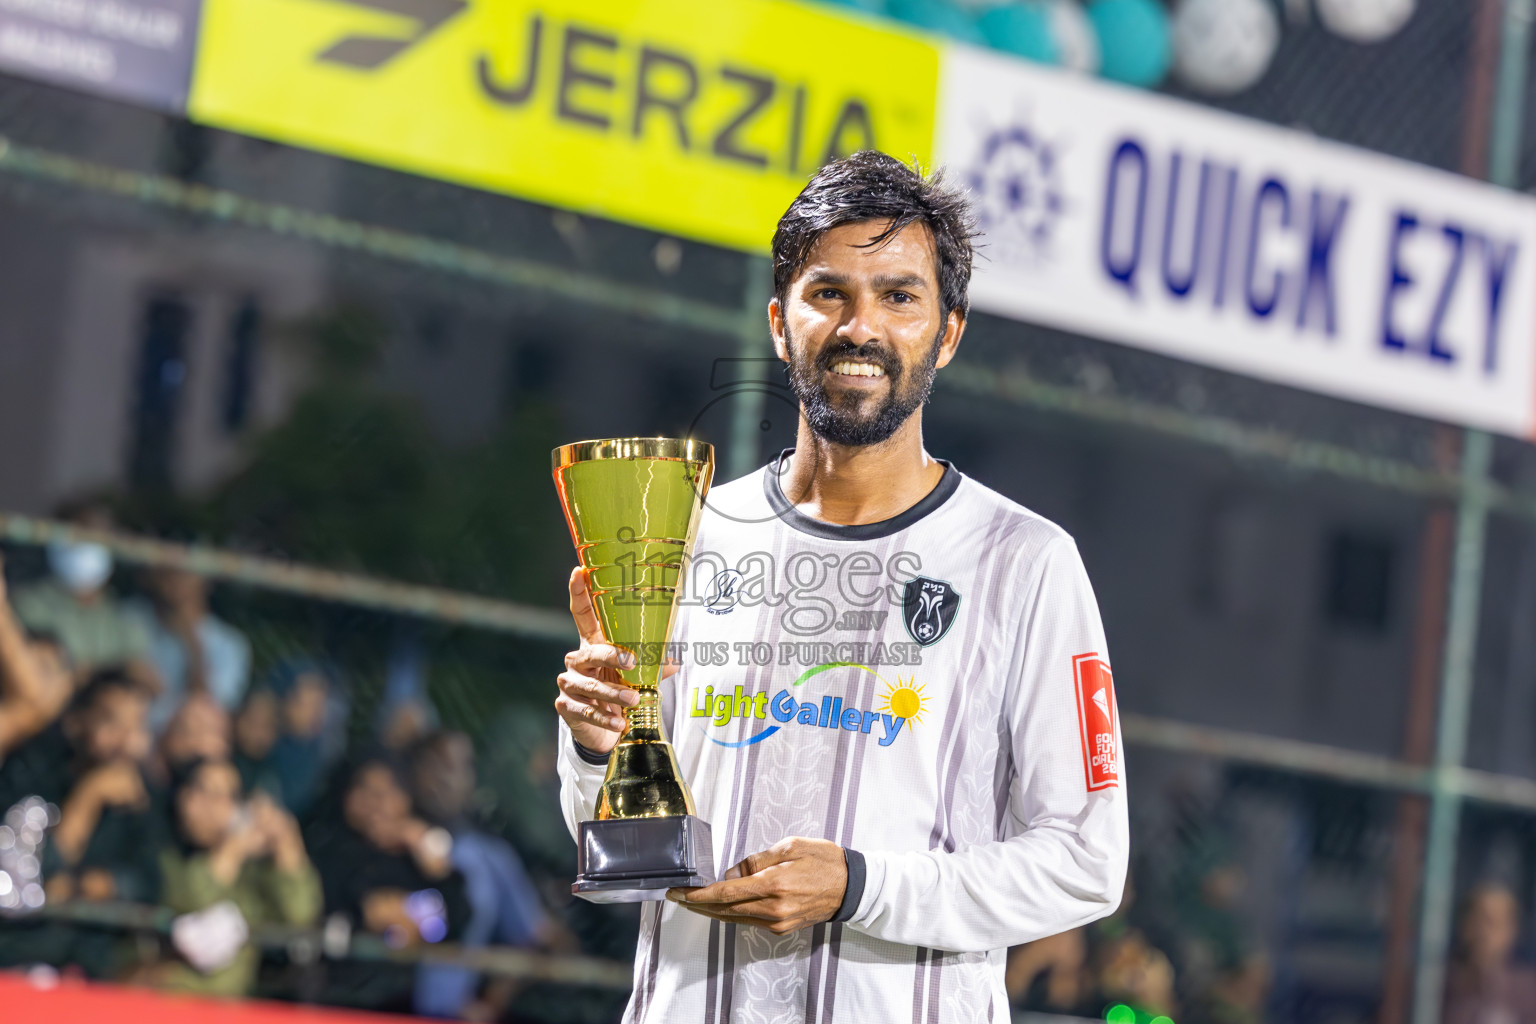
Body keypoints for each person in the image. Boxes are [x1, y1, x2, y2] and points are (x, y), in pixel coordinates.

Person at [554, 152, 1128, 1020]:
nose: (862, 327)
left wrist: (859, 886)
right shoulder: (685, 538)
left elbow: (1087, 863)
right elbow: (620, 846)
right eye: (831, 293)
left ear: (948, 332)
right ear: (781, 322)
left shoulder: (1026, 562)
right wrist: (596, 746)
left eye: (900, 297)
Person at [408, 729, 556, 1019]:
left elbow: (531, 938)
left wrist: (489, 1003)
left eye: (459, 767)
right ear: (414, 770)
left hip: (445, 1015)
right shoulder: (381, 834)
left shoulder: (487, 854)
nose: (444, 778)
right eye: (435, 764)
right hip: (364, 1006)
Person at [307, 756, 470, 1011]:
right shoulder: (328, 847)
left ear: (405, 800)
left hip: (404, 1000)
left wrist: (429, 870)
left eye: (386, 792)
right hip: (336, 997)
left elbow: (457, 924)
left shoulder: (415, 861)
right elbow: (325, 913)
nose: (376, 803)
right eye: (365, 791)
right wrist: (367, 913)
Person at [155, 758, 322, 997]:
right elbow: (196, 904)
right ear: (187, 799)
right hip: (166, 1003)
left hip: (232, 1010)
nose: (224, 807)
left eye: (231, 796)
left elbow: (301, 915)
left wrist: (287, 843)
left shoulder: (250, 872)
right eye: (212, 794)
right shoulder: (163, 854)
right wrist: (233, 847)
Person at [10, 500, 160, 691]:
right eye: (80, 535)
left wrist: (91, 673)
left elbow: (150, 681)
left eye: (97, 537)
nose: (87, 544)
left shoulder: (121, 615)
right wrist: (116, 671)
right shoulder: (27, 604)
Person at [131, 567, 251, 734]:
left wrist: (192, 645)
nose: (177, 579)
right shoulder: (130, 617)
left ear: (206, 581)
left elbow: (207, 710)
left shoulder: (230, 644)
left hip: (185, 741)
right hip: (133, 735)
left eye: (187, 571)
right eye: (171, 569)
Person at [0, 553, 74, 761]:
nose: (33, 678)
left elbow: (30, 700)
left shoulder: (61, 755)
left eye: (44, 669)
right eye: (24, 663)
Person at [1443, 882, 1536, 1024]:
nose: (1483, 933)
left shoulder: (1528, 993)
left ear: (1511, 931)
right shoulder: (1440, 985)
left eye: (1493, 923)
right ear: (1463, 926)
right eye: (1476, 920)